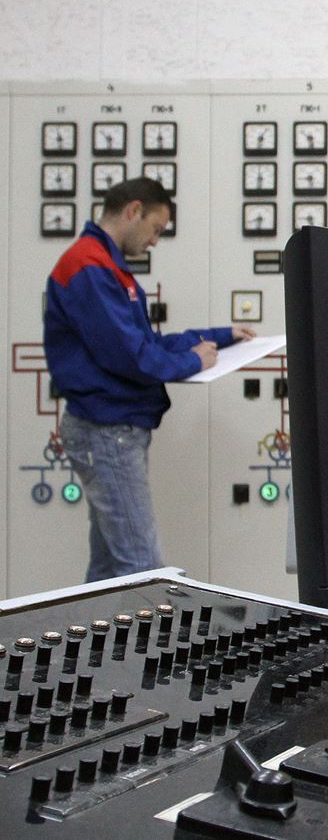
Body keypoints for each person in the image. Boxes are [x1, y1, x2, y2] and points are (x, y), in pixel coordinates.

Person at [44, 177, 255, 583]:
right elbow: (133, 357)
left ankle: (97, 629)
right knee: (143, 568)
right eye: (156, 228)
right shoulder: (89, 267)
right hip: (107, 432)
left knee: (110, 568)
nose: (155, 241)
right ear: (133, 211)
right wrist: (193, 360)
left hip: (112, 430)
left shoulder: (105, 267)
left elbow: (147, 343)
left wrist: (220, 336)